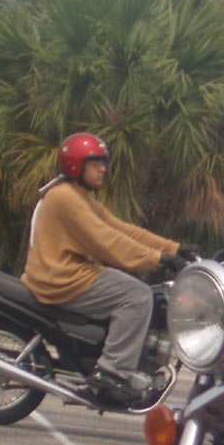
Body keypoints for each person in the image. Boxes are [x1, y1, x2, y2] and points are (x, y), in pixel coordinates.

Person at [22, 132, 192, 407]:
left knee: (134, 291)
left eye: (103, 162)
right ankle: (111, 374)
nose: (103, 169)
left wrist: (174, 248)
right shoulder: (65, 198)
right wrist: (158, 259)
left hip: (68, 274)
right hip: (63, 280)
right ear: (75, 165)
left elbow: (121, 229)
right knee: (137, 295)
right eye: (95, 163)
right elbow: (108, 241)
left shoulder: (77, 196)